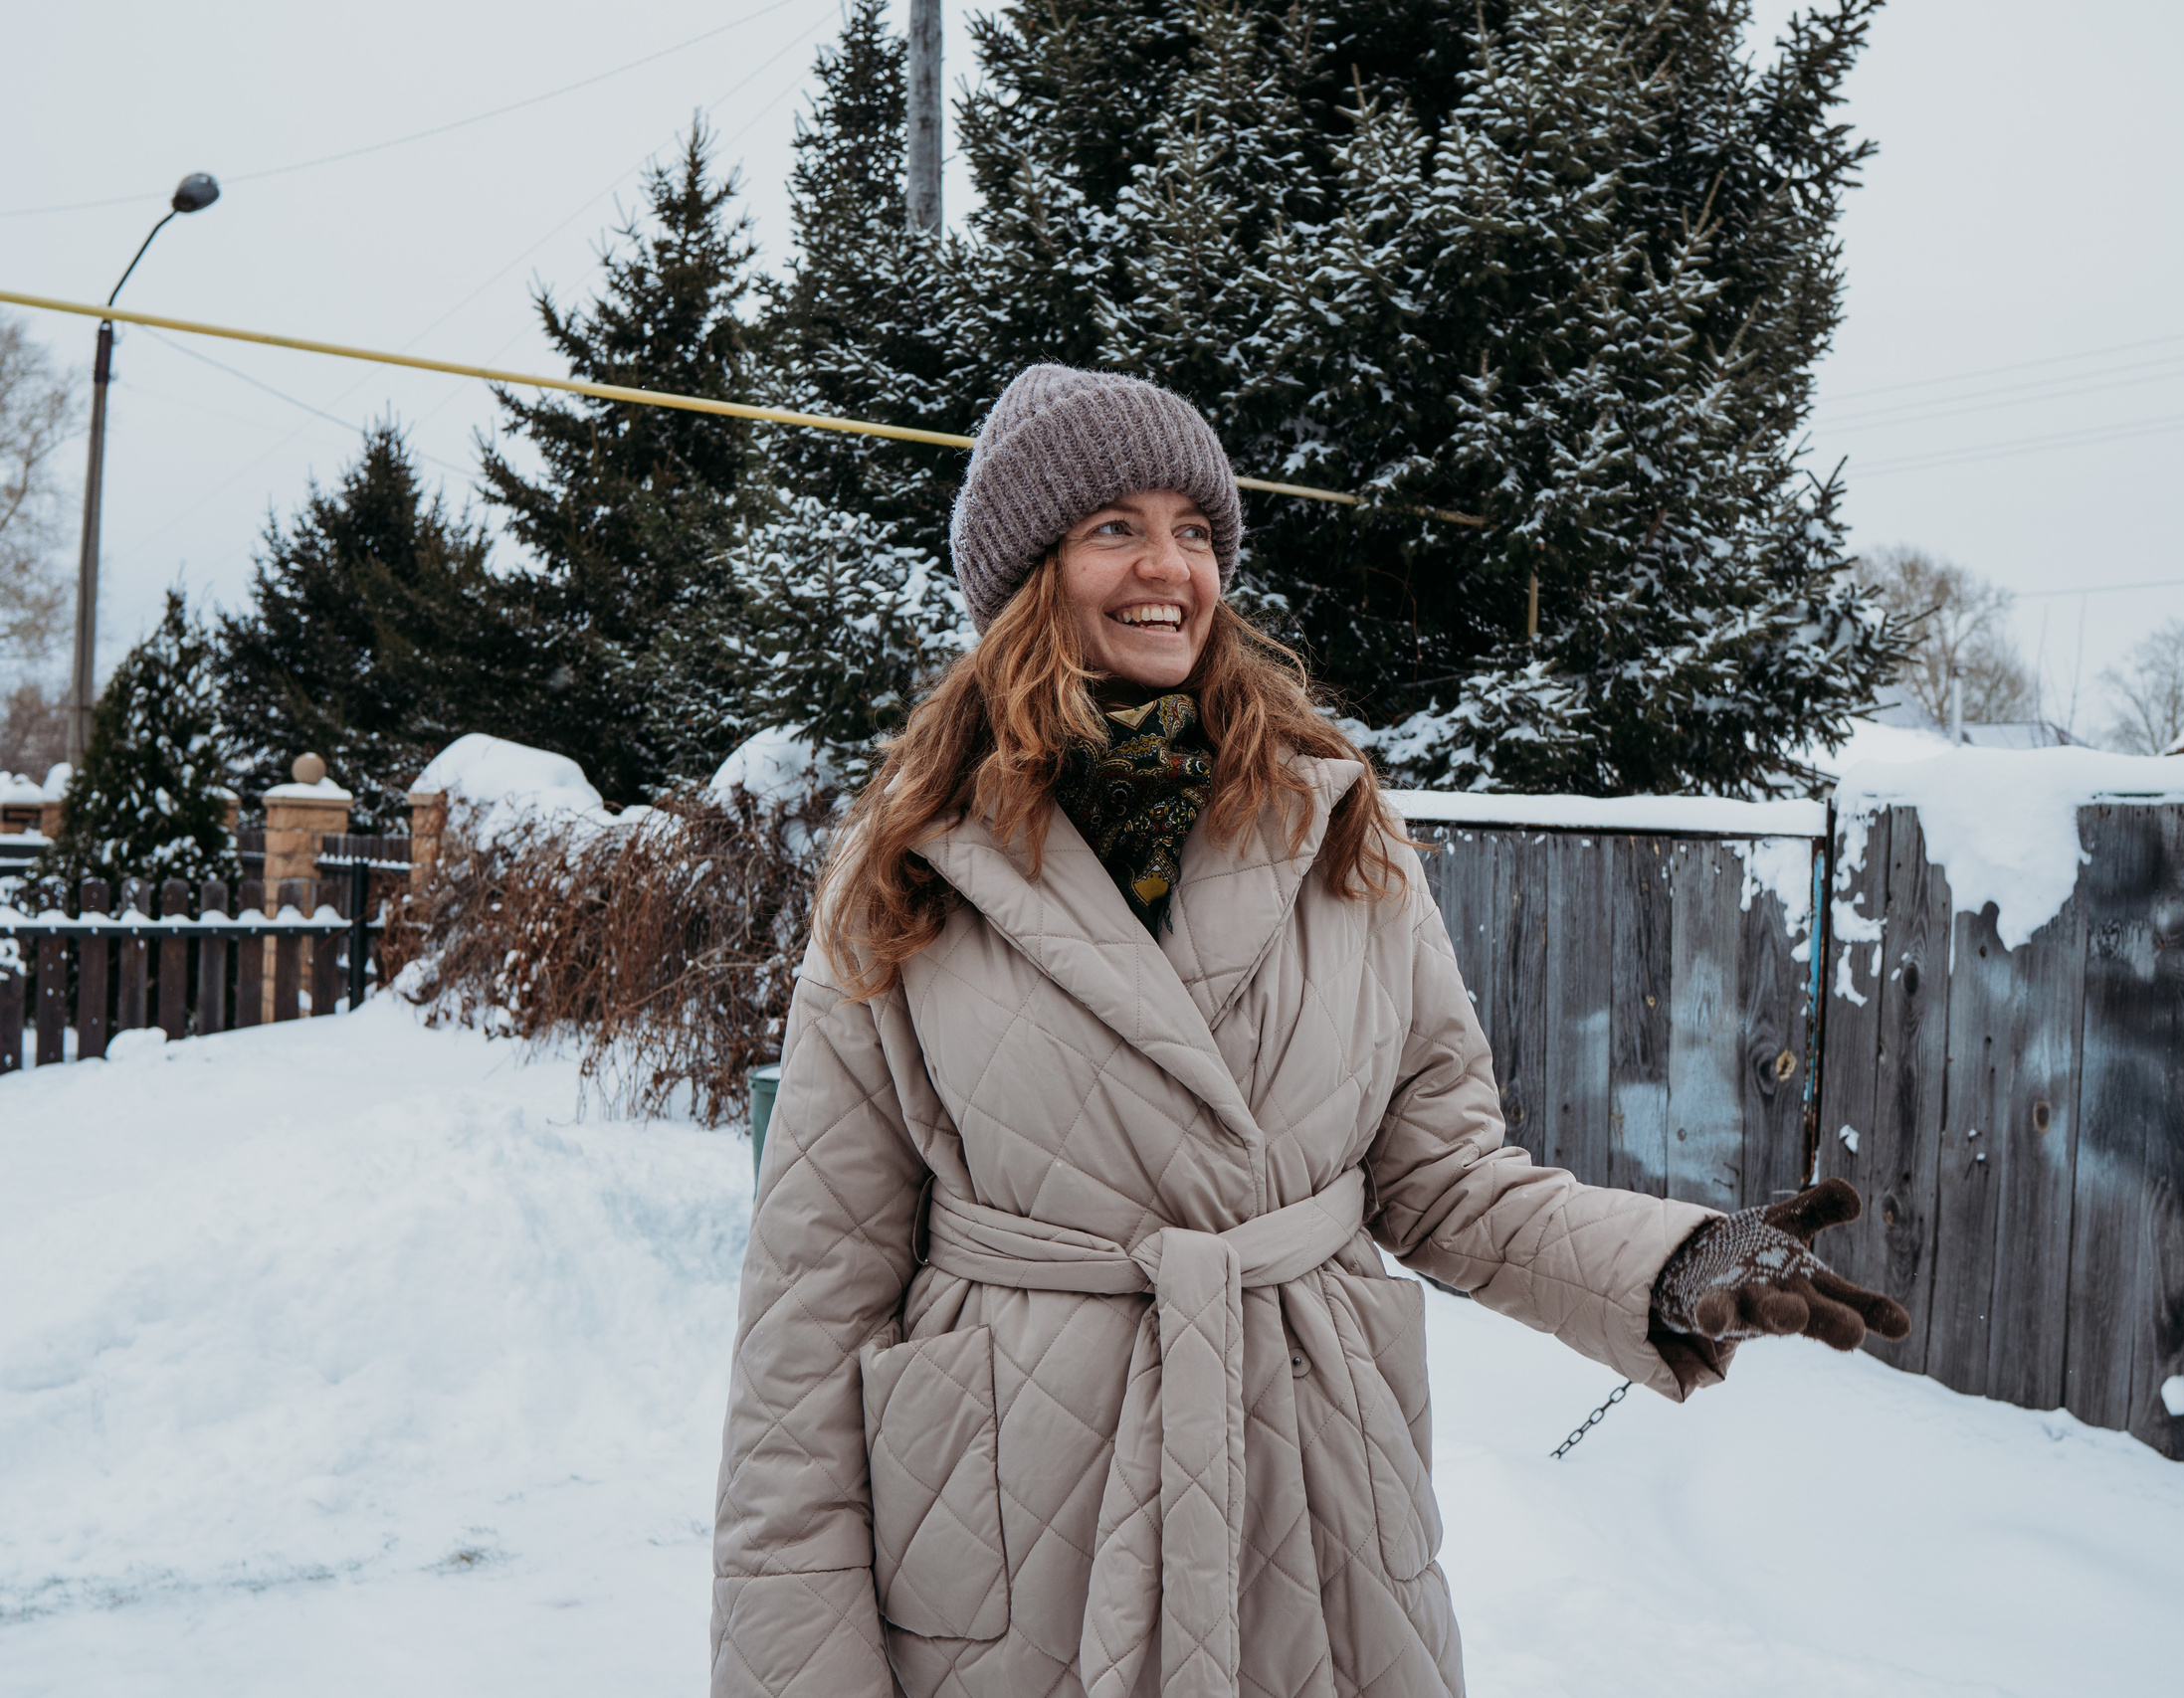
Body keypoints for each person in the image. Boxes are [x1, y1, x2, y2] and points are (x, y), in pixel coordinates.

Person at [710, 366, 1908, 1698]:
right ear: (1025, 577)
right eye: (1115, 527)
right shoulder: (906, 874)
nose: (1171, 566)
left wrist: (1672, 1262)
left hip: (1311, 1501)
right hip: (1019, 1530)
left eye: (1197, 530)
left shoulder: (1337, 830)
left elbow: (1443, 1178)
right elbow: (802, 1342)